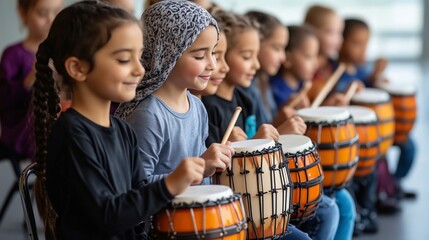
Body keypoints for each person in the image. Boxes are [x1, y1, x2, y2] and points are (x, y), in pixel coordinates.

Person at [32, 1, 206, 239]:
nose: (140, 69)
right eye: (124, 59)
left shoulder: (123, 130)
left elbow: (137, 213)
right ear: (77, 68)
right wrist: (169, 185)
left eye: (140, 56)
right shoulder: (72, 135)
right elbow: (108, 215)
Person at [115, 0, 233, 183]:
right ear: (166, 55)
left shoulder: (196, 106)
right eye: (200, 56)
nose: (212, 64)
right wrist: (201, 166)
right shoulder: (148, 115)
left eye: (213, 53)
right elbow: (136, 187)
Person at [202, 11, 280, 145]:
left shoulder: (245, 100)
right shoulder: (208, 107)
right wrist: (256, 142)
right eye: (247, 57)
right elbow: (214, 163)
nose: (257, 65)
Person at [0, 0, 63, 161]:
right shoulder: (13, 54)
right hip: (23, 129)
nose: (51, 19)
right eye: (42, 13)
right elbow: (4, 100)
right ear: (23, 13)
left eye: (56, 12)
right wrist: (29, 79)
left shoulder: (63, 53)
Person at [239, 11, 306, 136]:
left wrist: (284, 111)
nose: (283, 57)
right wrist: (279, 124)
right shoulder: (244, 91)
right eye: (277, 48)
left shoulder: (263, 81)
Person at [304, 5, 348, 106]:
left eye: (339, 33)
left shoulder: (333, 66)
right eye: (330, 32)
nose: (337, 39)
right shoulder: (304, 68)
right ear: (311, 31)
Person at [269, 25, 316, 109]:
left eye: (315, 56)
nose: (315, 63)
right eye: (309, 57)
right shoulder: (274, 91)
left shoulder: (301, 85)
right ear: (287, 59)